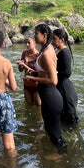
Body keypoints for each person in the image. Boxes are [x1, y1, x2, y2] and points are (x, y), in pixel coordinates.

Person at [24, 23, 67, 153]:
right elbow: (45, 72)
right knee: (49, 131)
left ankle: (62, 161)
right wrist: (34, 72)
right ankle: (53, 162)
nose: (34, 36)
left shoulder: (47, 53)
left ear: (44, 35)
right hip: (48, 96)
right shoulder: (45, 49)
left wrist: (33, 79)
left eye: (36, 33)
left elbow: (54, 80)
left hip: (51, 97)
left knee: (56, 135)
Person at [52, 28, 79, 125]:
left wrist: (52, 73)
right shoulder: (56, 50)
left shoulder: (64, 52)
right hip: (59, 86)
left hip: (65, 88)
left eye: (54, 38)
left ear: (61, 40)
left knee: (70, 118)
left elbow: (67, 73)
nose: (52, 41)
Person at [16, 37, 40, 106]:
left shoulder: (38, 55)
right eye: (26, 43)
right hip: (26, 83)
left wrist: (25, 65)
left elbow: (37, 72)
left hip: (36, 84)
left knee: (38, 106)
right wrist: (20, 66)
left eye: (29, 43)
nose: (27, 44)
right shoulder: (24, 53)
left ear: (35, 43)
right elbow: (21, 70)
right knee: (29, 106)